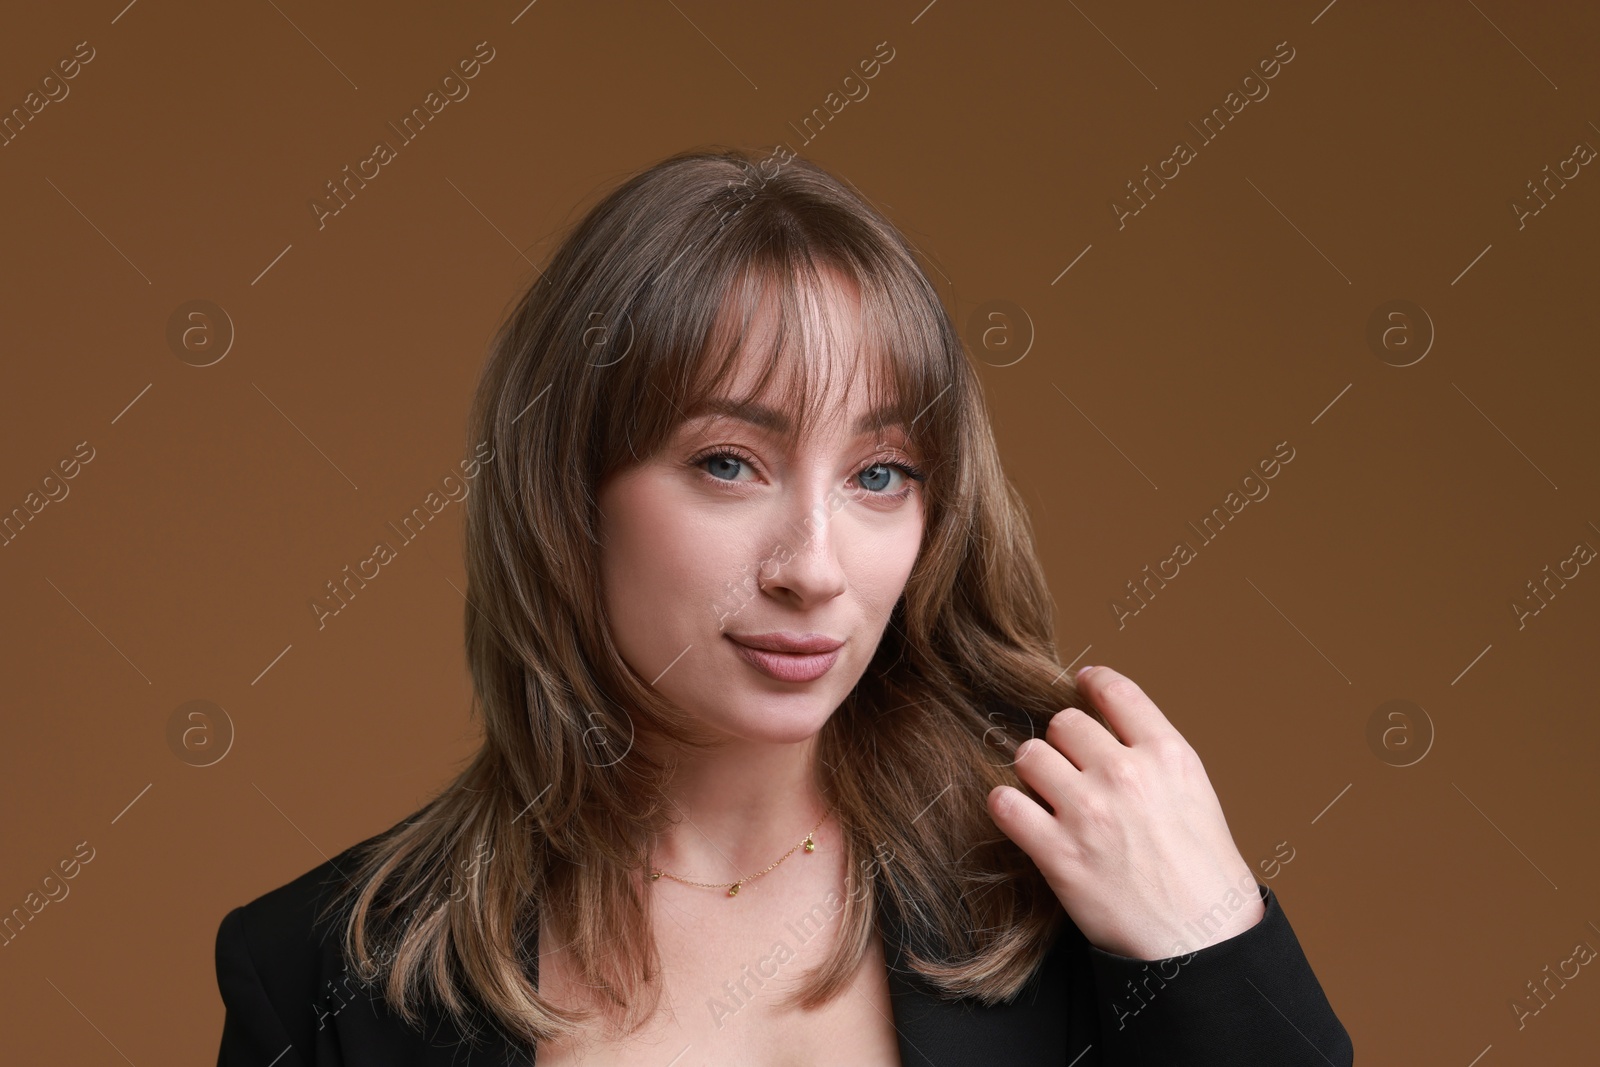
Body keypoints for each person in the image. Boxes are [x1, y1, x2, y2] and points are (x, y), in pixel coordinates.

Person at [214, 146, 1354, 1065]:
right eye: (727, 462)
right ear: (569, 493)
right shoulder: (328, 973)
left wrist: (1211, 941)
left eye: (878, 474)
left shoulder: (1063, 890)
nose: (812, 566)